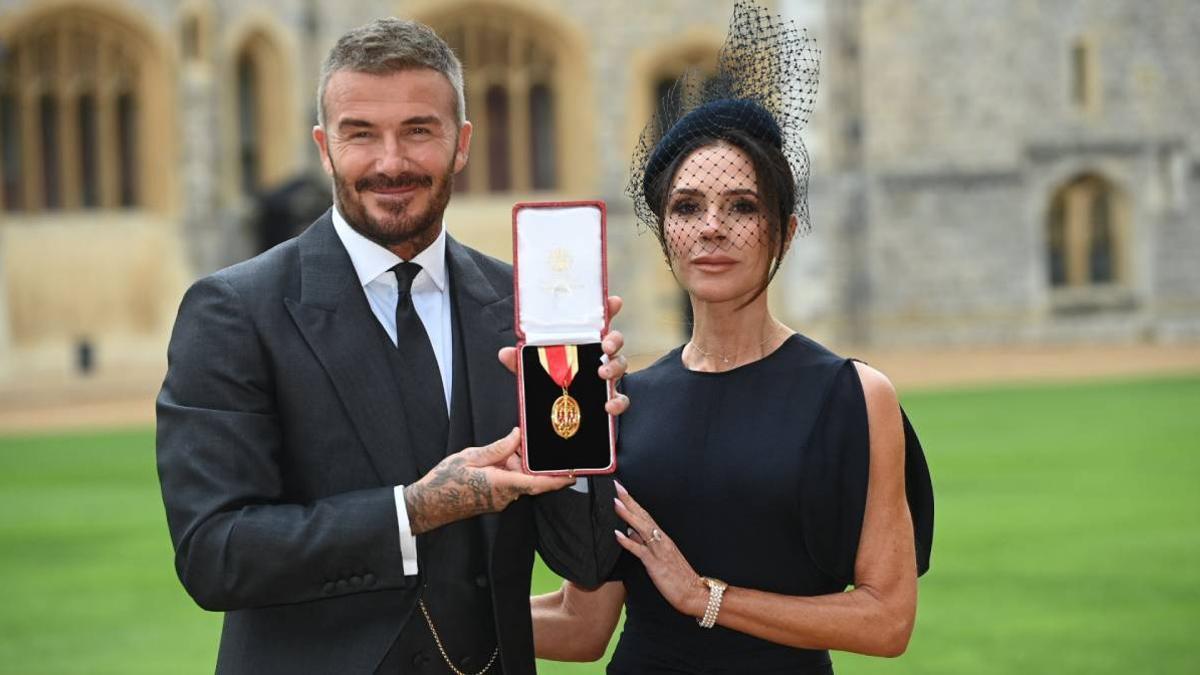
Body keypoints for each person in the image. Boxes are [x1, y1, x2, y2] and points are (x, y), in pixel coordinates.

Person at [156, 18, 628, 675]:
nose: (391, 162)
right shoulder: (235, 312)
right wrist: (413, 511)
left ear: (460, 143)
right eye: (360, 134)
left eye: (418, 129)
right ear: (324, 148)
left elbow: (589, 561)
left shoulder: (524, 308)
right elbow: (216, 553)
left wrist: (580, 441)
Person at [530, 3, 933, 673]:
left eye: (742, 206)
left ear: (785, 229)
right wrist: (427, 609)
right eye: (687, 207)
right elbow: (583, 625)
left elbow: (888, 619)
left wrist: (707, 597)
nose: (712, 226)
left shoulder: (855, 396)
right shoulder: (622, 398)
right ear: (664, 233)